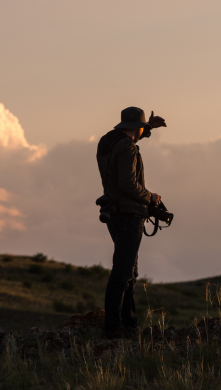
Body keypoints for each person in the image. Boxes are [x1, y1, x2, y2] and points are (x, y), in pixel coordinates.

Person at [96, 106, 167, 337]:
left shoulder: (108, 143)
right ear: (137, 127)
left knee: (128, 271)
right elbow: (128, 184)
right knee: (123, 273)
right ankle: (114, 327)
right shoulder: (128, 148)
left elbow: (127, 137)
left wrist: (147, 128)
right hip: (129, 213)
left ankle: (128, 322)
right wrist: (151, 197)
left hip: (115, 211)